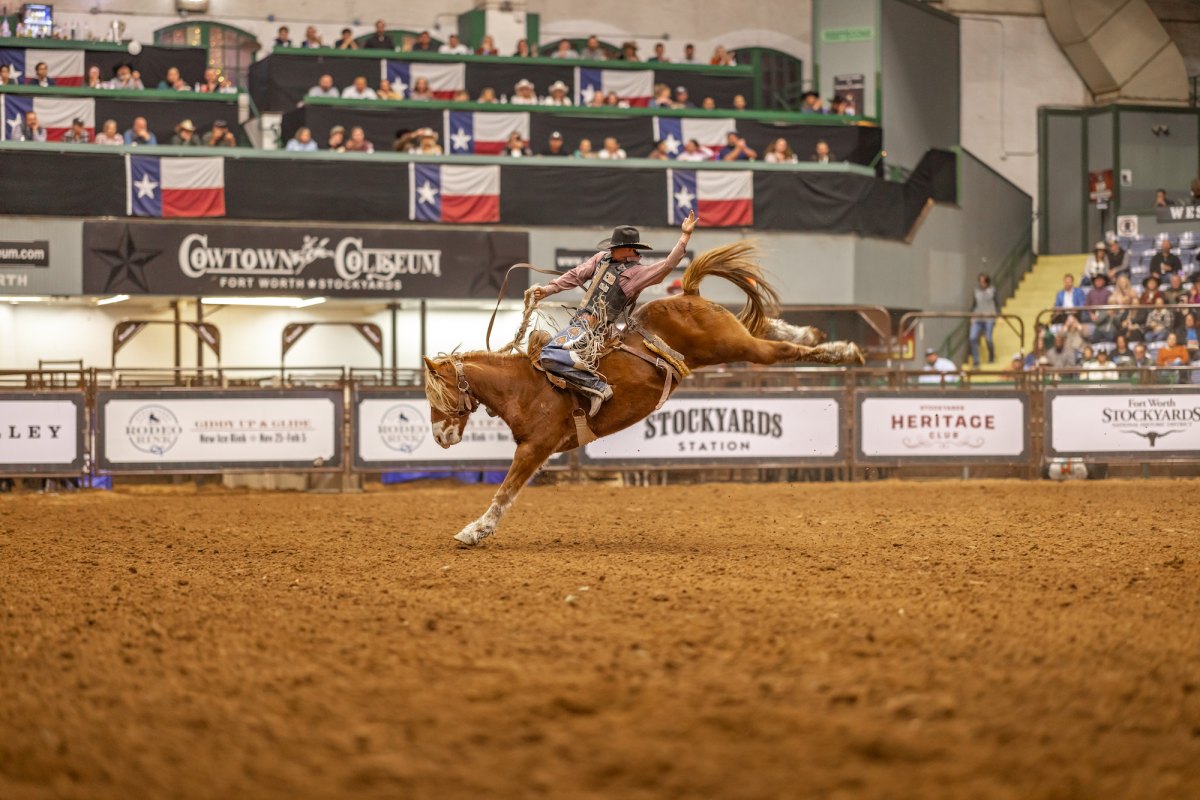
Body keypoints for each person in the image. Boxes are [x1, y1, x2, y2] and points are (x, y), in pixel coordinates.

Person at [530, 213, 697, 415]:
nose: (611, 250)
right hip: (581, 325)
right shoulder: (602, 259)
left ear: (627, 249)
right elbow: (576, 274)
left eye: (614, 247)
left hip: (591, 329)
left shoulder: (634, 274)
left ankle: (598, 386)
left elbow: (667, 266)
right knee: (544, 348)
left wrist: (685, 237)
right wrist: (549, 289)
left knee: (548, 354)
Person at [969, 273, 998, 366]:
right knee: (972, 337)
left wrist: (998, 315)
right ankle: (976, 361)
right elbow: (974, 304)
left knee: (988, 338)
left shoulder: (992, 290)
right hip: (978, 317)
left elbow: (997, 303)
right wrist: (972, 315)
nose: (981, 283)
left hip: (989, 317)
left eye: (983, 281)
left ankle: (991, 356)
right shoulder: (976, 291)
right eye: (980, 281)